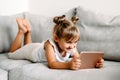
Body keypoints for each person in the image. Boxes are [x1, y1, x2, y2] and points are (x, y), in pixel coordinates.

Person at [8, 15, 104, 70]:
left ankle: (28, 31)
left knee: (28, 45)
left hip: (36, 47)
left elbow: (79, 60)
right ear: (56, 38)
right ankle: (21, 31)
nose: (72, 46)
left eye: (75, 42)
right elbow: (52, 64)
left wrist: (94, 63)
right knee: (11, 54)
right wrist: (68, 65)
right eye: (69, 42)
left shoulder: (72, 46)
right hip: (32, 52)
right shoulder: (49, 45)